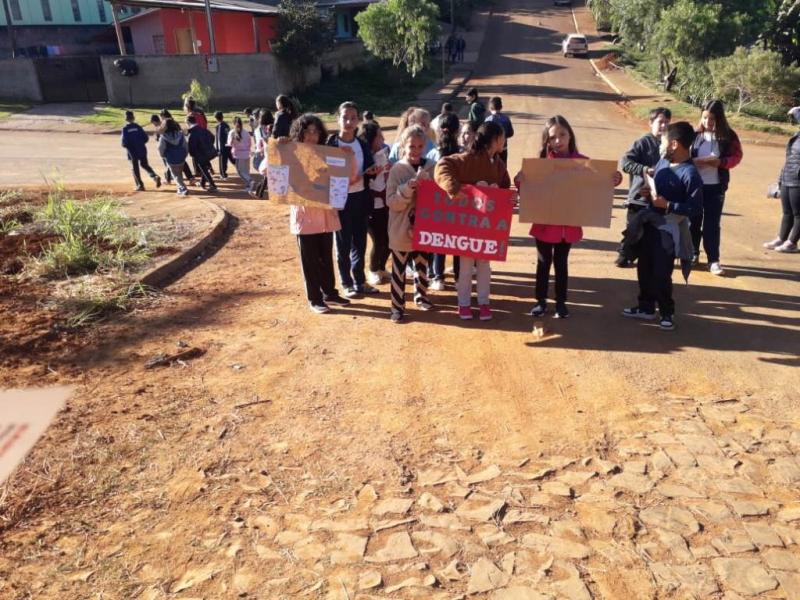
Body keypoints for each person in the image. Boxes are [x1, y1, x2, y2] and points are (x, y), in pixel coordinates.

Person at [518, 116, 622, 319]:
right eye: (552, 137)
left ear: (570, 135)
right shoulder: (540, 165)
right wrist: (521, 179)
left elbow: (597, 183)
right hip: (544, 225)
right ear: (547, 141)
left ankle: (560, 302)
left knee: (561, 264)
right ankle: (540, 301)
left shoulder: (583, 163)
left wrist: (613, 178)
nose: (558, 140)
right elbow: (528, 190)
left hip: (568, 226)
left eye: (562, 135)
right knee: (543, 263)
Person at [622, 121, 703, 331]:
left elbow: (695, 208)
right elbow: (656, 189)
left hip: (668, 230)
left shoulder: (690, 174)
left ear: (674, 144)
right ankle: (645, 307)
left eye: (664, 141)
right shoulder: (663, 163)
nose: (661, 145)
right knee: (644, 268)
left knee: (661, 272)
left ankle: (666, 312)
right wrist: (647, 193)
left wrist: (668, 205)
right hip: (649, 224)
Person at [435, 121, 511, 321]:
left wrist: (505, 196)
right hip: (467, 223)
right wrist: (453, 187)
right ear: (495, 139)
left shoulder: (498, 163)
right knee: (466, 265)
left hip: (487, 225)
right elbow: (442, 165)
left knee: (484, 264)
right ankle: (464, 303)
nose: (504, 141)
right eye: (503, 137)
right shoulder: (468, 158)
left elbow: (505, 185)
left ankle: (484, 302)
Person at [277, 114, 353, 313]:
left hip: (326, 215)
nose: (311, 136)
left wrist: (346, 157)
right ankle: (315, 298)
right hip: (305, 217)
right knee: (310, 260)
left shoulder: (327, 154)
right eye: (307, 131)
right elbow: (270, 171)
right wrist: (279, 149)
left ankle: (330, 293)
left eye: (315, 131)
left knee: (326, 257)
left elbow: (345, 176)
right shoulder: (291, 152)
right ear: (299, 133)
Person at [327, 101, 380, 297]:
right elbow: (321, 172)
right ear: (338, 119)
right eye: (345, 117)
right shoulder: (330, 144)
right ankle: (346, 282)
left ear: (358, 120)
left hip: (361, 199)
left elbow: (369, 169)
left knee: (360, 243)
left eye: (353, 118)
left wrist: (373, 171)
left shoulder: (362, 144)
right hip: (340, 201)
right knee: (343, 244)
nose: (349, 122)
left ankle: (359, 281)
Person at [386, 125, 436, 322]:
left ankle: (421, 296)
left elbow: (439, 197)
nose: (416, 150)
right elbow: (392, 202)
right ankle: (397, 307)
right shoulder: (397, 170)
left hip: (424, 227)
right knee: (399, 270)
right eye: (411, 146)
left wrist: (429, 186)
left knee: (422, 265)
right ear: (403, 146)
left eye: (420, 146)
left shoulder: (432, 166)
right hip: (400, 229)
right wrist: (408, 187)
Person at [690, 99, 743, 275]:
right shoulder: (695, 135)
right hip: (694, 186)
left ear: (719, 119)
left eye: (712, 118)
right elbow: (682, 155)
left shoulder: (728, 136)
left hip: (715, 187)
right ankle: (693, 253)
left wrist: (721, 162)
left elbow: (737, 156)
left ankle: (713, 260)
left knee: (712, 225)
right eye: (705, 117)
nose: (708, 122)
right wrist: (692, 162)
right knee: (693, 222)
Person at [616, 107, 672, 267]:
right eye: (660, 122)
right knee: (634, 230)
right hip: (638, 198)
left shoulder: (670, 146)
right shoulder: (642, 143)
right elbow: (626, 163)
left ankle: (647, 258)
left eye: (667, 123)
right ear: (651, 123)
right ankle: (624, 254)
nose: (664, 126)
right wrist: (644, 170)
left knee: (653, 232)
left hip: (658, 199)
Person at [426, 112, 462, 290]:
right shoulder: (462, 154)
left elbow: (427, 178)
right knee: (457, 242)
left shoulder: (433, 154)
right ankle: (459, 279)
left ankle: (438, 277)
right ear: (457, 131)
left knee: (438, 241)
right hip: (458, 204)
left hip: (437, 205)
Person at [764, 106, 800, 253]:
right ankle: (782, 238)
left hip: (798, 179)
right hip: (788, 175)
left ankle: (792, 242)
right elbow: (789, 158)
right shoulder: (797, 135)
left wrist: (797, 112)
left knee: (798, 213)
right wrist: (781, 179)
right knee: (787, 212)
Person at [360, 122, 392, 286]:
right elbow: (360, 181)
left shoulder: (383, 153)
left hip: (385, 204)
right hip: (370, 206)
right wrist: (370, 174)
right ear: (371, 139)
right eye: (379, 136)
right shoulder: (361, 157)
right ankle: (372, 270)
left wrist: (389, 170)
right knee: (378, 240)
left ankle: (381, 267)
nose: (383, 139)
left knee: (390, 240)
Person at [121, 110, 161, 192]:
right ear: (133, 118)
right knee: (144, 164)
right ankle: (154, 176)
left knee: (135, 168)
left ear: (126, 119)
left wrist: (128, 146)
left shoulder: (125, 129)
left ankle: (140, 185)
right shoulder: (138, 127)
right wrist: (140, 143)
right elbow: (146, 138)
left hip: (132, 152)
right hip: (142, 149)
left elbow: (124, 143)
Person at [161, 109, 195, 184]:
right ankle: (191, 178)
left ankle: (168, 179)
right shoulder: (175, 123)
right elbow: (180, 132)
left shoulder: (165, 124)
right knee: (182, 162)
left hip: (170, 147)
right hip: (179, 146)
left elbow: (163, 135)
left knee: (169, 162)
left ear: (163, 116)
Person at [185, 114, 218, 192]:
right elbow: (212, 137)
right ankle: (203, 183)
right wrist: (209, 145)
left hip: (201, 154)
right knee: (204, 167)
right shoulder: (202, 129)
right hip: (210, 152)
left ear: (188, 122)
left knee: (203, 168)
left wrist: (193, 154)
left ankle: (213, 185)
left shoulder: (192, 133)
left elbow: (192, 147)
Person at [158, 118, 190, 196]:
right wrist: (184, 155)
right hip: (181, 157)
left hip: (171, 158)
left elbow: (160, 148)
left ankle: (182, 188)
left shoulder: (163, 137)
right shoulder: (180, 134)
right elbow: (186, 146)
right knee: (179, 173)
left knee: (175, 175)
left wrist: (164, 156)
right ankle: (181, 187)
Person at [227, 116, 255, 196]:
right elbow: (250, 143)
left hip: (238, 155)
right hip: (246, 154)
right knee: (246, 170)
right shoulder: (246, 132)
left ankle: (250, 181)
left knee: (240, 171)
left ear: (233, 123)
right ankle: (248, 186)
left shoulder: (232, 132)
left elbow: (229, 144)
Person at [484, 96, 514, 165]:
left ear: (489, 108)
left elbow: (485, 135)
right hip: (503, 147)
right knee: (503, 166)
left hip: (491, 149)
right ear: (501, 107)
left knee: (491, 167)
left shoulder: (488, 120)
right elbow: (511, 133)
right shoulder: (506, 118)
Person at [253, 110, 275, 198]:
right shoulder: (275, 127)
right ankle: (259, 193)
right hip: (273, 155)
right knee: (267, 176)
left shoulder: (260, 130)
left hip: (266, 155)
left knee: (267, 175)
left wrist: (259, 150)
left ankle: (259, 193)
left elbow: (259, 143)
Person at [150, 114, 172, 184]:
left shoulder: (160, 127)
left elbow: (159, 138)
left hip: (165, 148)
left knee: (168, 164)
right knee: (169, 164)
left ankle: (168, 179)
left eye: (153, 122)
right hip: (169, 147)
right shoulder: (163, 124)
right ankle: (170, 176)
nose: (153, 124)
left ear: (154, 121)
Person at [214, 111, 231, 180]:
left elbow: (219, 138)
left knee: (222, 161)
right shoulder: (226, 125)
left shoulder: (219, 126)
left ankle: (223, 175)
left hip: (222, 146)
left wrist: (218, 149)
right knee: (225, 161)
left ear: (216, 118)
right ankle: (224, 174)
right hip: (227, 145)